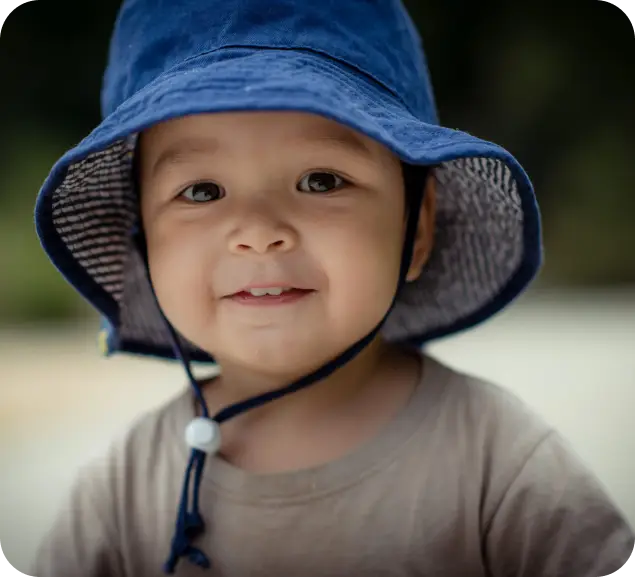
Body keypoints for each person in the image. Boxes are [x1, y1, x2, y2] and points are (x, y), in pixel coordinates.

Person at [30, 0, 634, 575]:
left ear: (415, 231)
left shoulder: (499, 465)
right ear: (143, 241)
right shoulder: (124, 492)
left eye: (321, 180)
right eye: (202, 191)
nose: (259, 233)